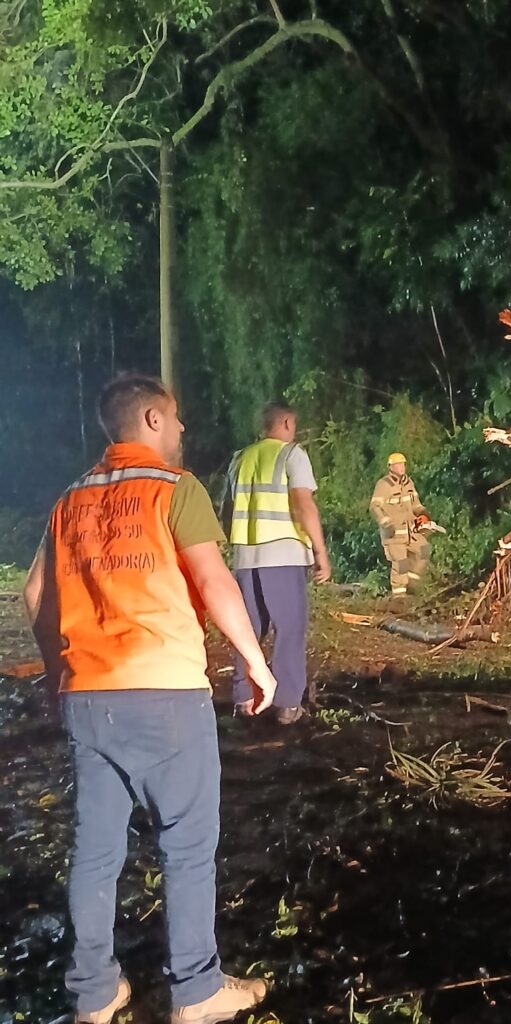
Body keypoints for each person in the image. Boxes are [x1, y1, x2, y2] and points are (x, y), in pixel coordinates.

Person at [22, 374, 277, 1024]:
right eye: (176, 417)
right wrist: (254, 661)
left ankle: (94, 993)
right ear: (152, 421)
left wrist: (57, 674)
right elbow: (213, 579)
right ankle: (196, 990)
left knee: (95, 851)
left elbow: (35, 594)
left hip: (88, 697)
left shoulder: (70, 499)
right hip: (166, 693)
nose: (183, 429)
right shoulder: (174, 488)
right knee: (187, 846)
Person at [224, 401, 330, 723]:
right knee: (289, 629)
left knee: (248, 629)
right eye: (293, 425)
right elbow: (303, 505)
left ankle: (245, 699)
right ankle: (287, 703)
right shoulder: (292, 454)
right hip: (283, 554)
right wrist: (320, 552)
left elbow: (227, 510)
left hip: (246, 556)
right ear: (285, 423)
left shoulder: (240, 459)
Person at [369, 452, 431, 597]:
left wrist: (423, 514)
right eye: (397, 465)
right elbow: (374, 507)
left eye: (403, 464)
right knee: (401, 563)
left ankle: (412, 582)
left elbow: (416, 504)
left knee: (424, 550)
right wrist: (385, 522)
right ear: (390, 467)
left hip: (411, 531)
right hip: (394, 534)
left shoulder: (408, 483)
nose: (401, 467)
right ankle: (399, 596)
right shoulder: (383, 485)